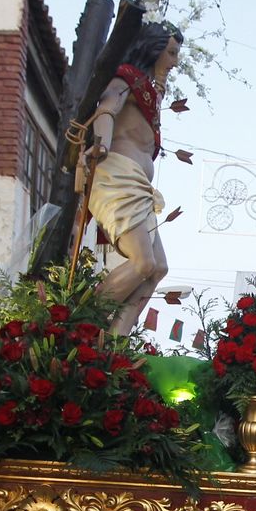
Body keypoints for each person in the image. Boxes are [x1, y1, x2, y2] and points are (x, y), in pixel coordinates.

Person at [87, 21, 182, 334]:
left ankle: (117, 341)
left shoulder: (148, 93)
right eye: (170, 52)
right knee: (143, 262)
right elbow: (107, 109)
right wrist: (100, 142)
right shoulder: (125, 77)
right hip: (118, 177)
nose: (175, 61)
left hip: (139, 187)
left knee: (158, 268)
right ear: (152, 49)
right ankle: (85, 324)